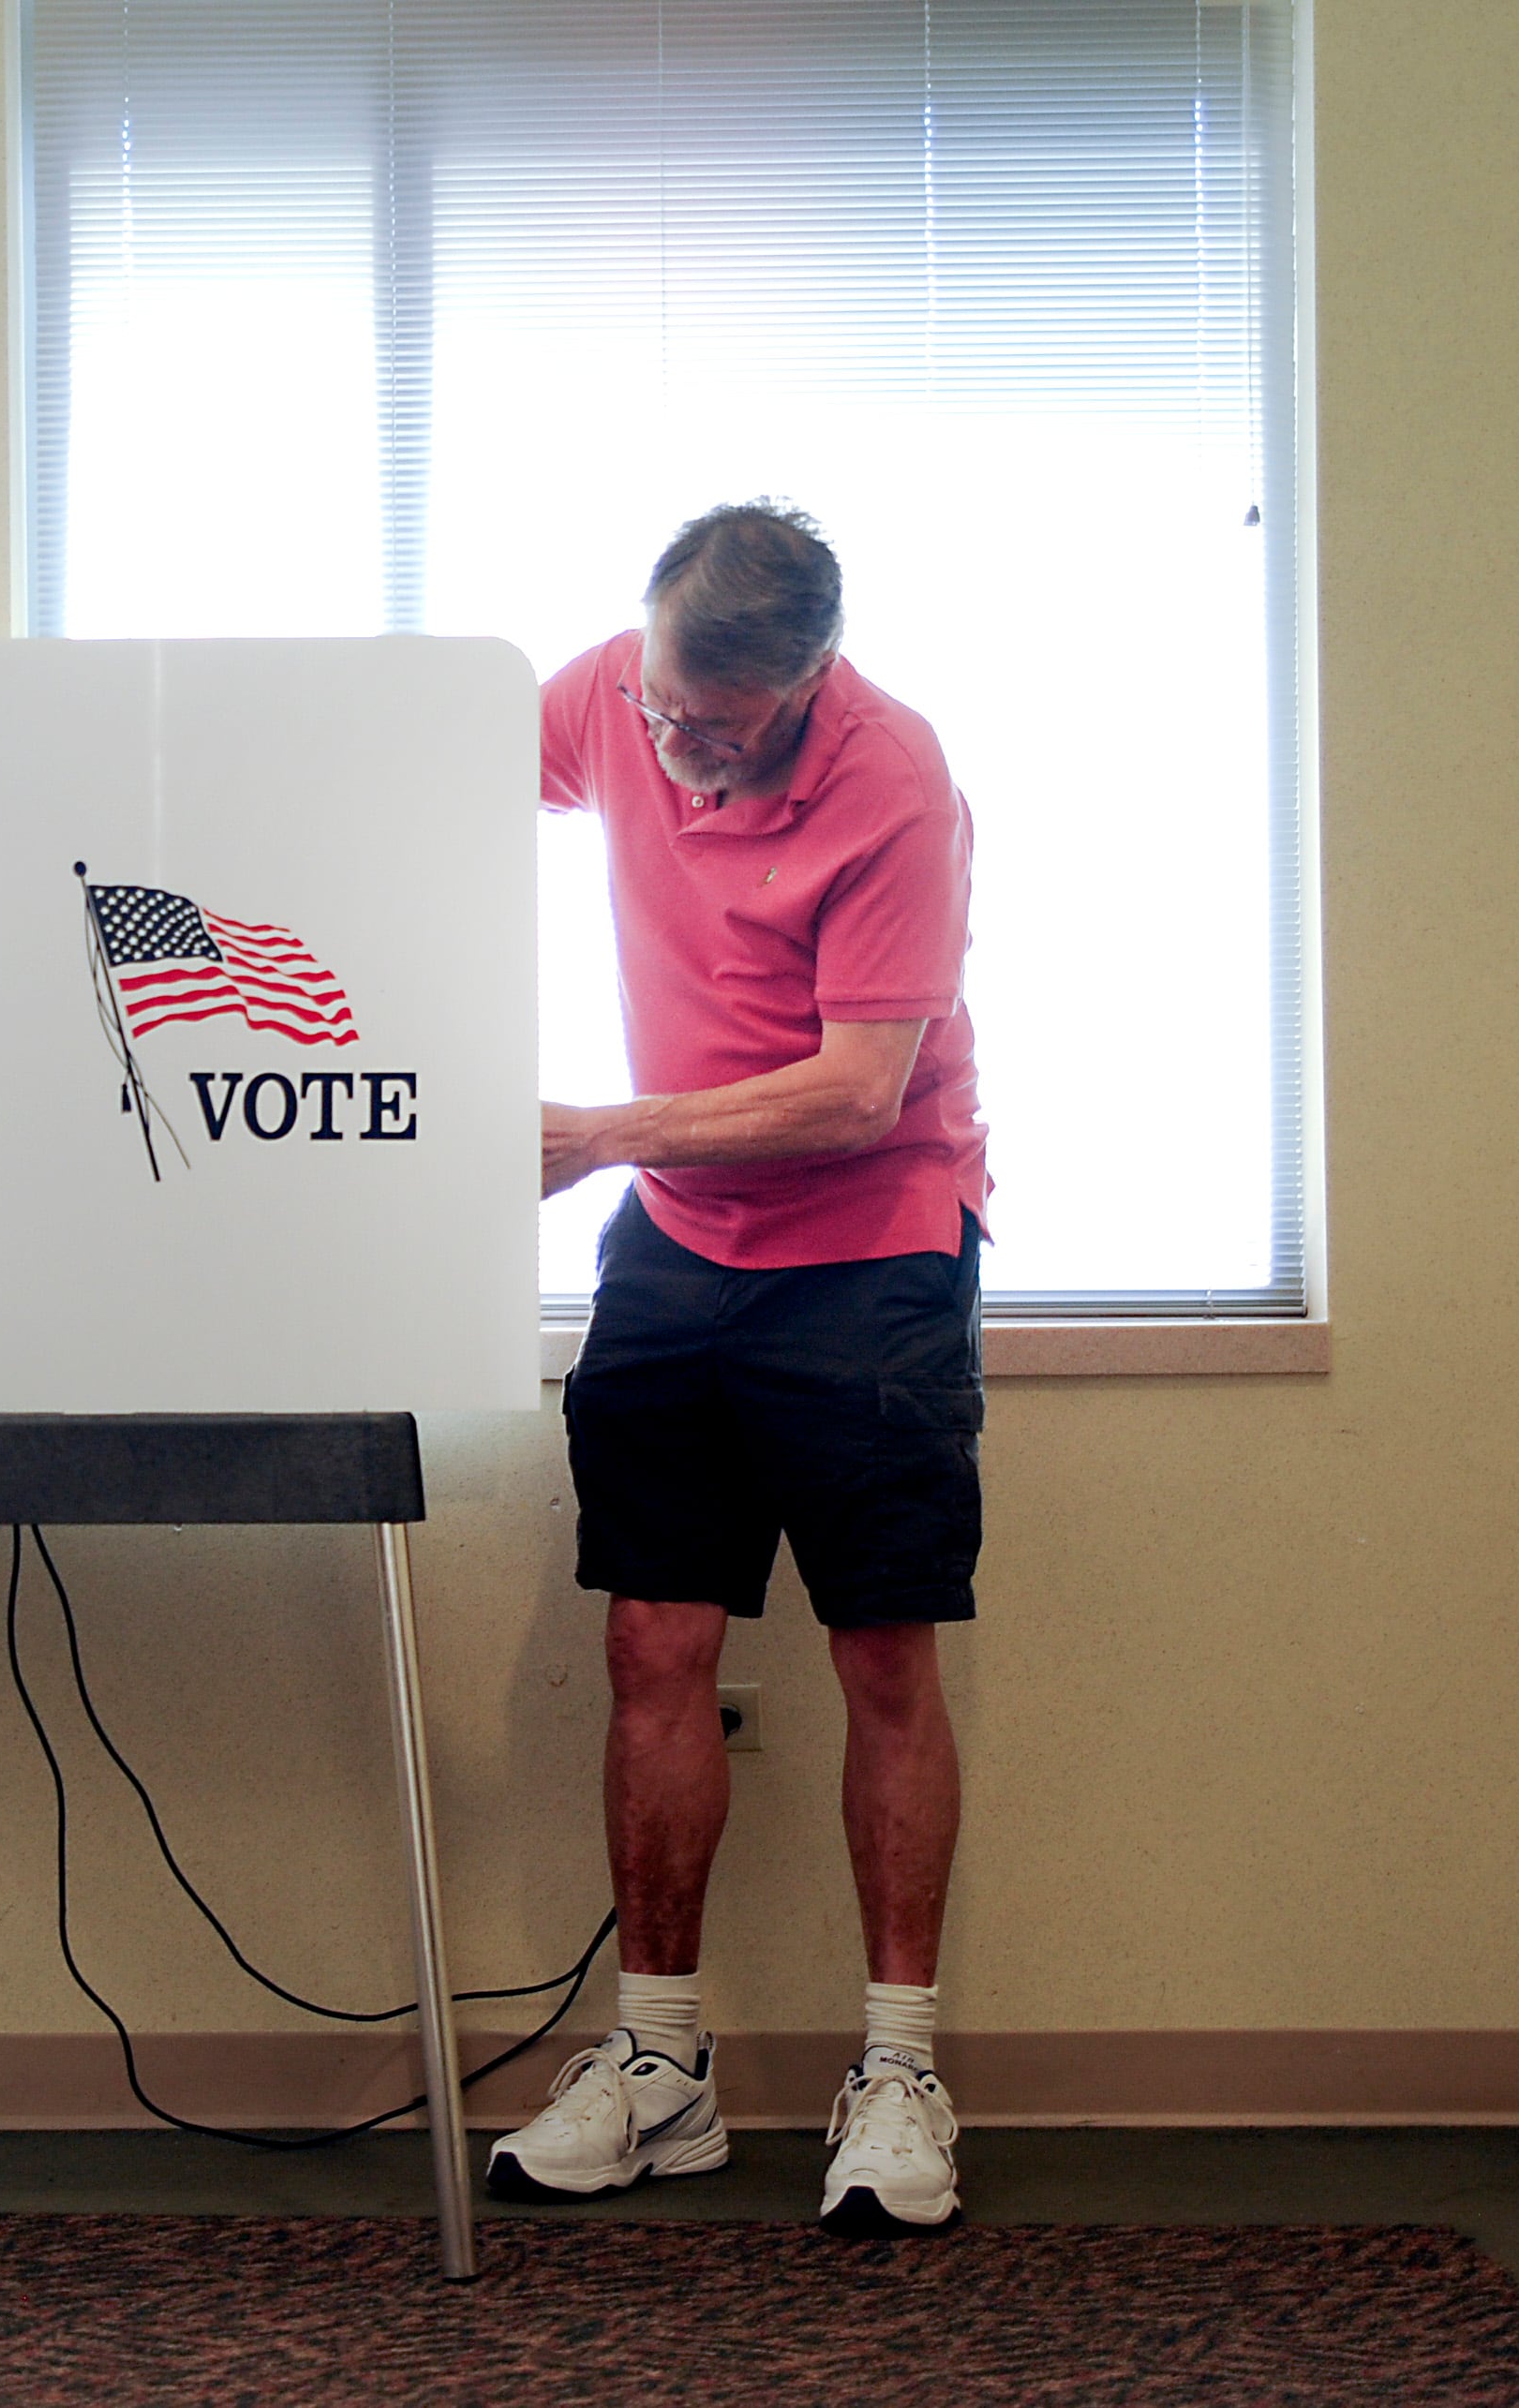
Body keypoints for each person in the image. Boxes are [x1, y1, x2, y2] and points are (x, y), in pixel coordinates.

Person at [494, 500, 991, 2237]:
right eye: (657, 712)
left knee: (878, 1656)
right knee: (649, 1640)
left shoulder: (891, 783)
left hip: (869, 1253)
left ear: (802, 685)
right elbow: (436, 779)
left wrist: (597, 1135)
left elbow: (857, 1090)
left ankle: (901, 2067)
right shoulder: (619, 693)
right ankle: (658, 2065)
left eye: (711, 726)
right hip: (680, 1259)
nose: (672, 747)